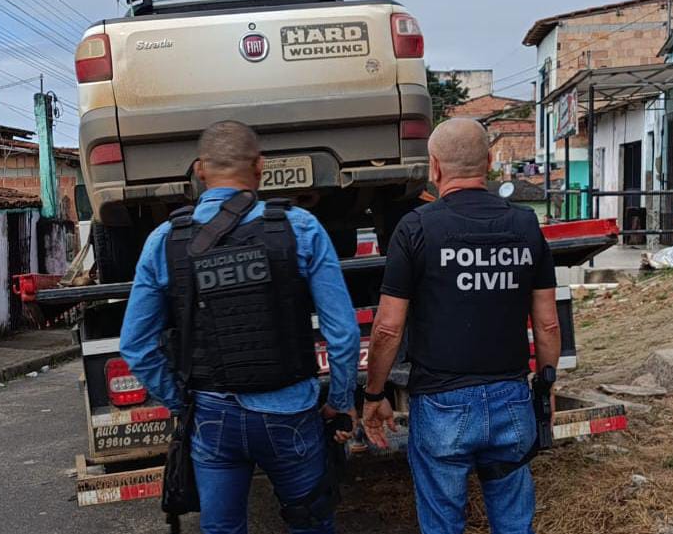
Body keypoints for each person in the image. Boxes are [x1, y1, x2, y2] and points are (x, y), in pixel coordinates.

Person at [120, 121, 361, 534]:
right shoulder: (299, 227)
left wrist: (181, 403)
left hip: (211, 415)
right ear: (261, 167)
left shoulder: (165, 240)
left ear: (199, 170)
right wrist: (339, 402)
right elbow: (343, 333)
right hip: (291, 412)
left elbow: (135, 344)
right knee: (312, 522)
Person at [361, 119, 561, 534]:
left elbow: (386, 328)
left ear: (433, 167)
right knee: (513, 524)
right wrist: (545, 386)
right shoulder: (526, 225)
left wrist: (374, 394)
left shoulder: (416, 228)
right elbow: (546, 323)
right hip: (511, 399)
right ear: (489, 162)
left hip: (442, 406)